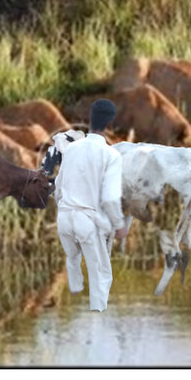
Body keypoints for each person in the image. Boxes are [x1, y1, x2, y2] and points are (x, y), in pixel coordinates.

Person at [53, 99, 126, 312]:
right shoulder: (112, 155)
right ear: (109, 124)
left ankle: (75, 288)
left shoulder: (71, 149)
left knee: (73, 257)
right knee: (101, 274)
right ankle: (97, 319)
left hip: (64, 220)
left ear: (90, 120)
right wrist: (119, 224)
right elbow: (111, 199)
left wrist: (64, 207)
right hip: (86, 222)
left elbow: (58, 186)